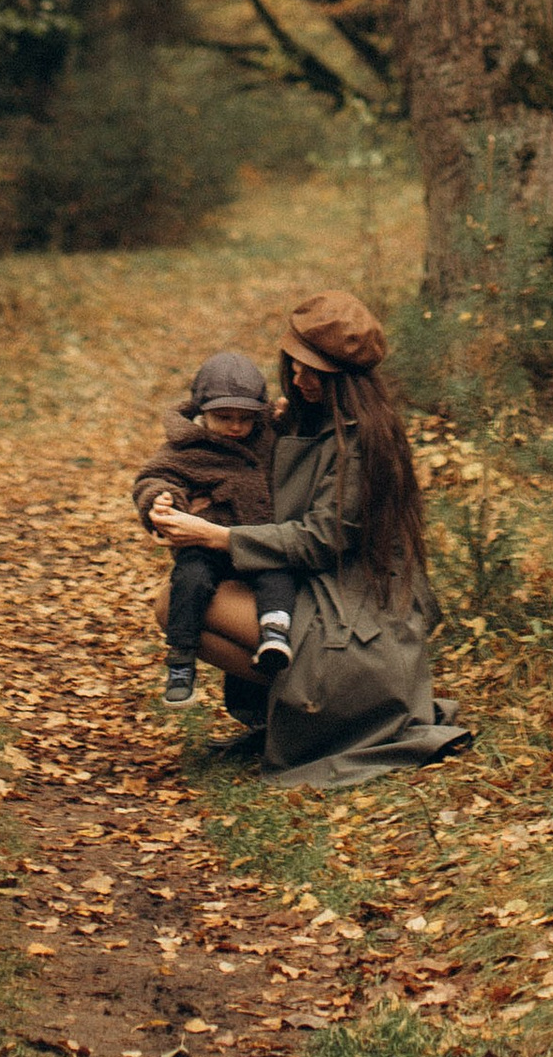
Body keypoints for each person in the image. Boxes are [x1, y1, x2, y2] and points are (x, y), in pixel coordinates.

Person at [149, 290, 471, 782]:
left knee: (174, 604)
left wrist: (217, 536)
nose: (298, 379)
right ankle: (285, 716)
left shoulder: (365, 440)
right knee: (183, 597)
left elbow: (321, 539)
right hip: (325, 592)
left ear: (341, 379)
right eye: (293, 366)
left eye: (311, 372)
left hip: (358, 618)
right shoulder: (311, 418)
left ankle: (310, 717)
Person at [130, 348, 296, 707]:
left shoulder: (268, 438)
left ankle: (274, 634)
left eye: (245, 417)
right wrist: (161, 500)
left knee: (277, 577)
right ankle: (180, 659)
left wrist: (291, 417)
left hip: (258, 542)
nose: (236, 426)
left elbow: (297, 444)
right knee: (190, 581)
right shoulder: (185, 448)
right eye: (224, 417)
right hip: (205, 544)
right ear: (202, 413)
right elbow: (153, 477)